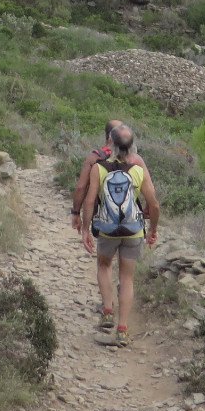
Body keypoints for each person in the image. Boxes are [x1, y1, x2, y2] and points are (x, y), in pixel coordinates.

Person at [80, 124, 160, 348]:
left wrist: (86, 229)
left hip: (107, 229)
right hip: (133, 230)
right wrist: (152, 230)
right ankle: (122, 330)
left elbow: (89, 201)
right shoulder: (138, 170)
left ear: (110, 143)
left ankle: (107, 310)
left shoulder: (99, 168)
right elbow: (154, 204)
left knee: (104, 266)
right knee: (127, 278)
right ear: (132, 145)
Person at [70, 120, 149, 232]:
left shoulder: (94, 157)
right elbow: (149, 189)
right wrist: (148, 208)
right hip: (131, 219)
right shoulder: (136, 159)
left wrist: (76, 213)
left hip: (103, 217)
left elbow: (81, 187)